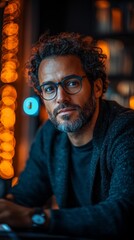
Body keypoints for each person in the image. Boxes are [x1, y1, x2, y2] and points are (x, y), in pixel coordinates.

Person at [0, 31, 134, 240]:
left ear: (97, 87)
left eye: (72, 83)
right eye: (50, 88)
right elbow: (25, 197)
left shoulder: (126, 129)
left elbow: (121, 214)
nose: (61, 98)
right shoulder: (49, 135)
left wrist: (34, 218)